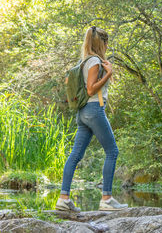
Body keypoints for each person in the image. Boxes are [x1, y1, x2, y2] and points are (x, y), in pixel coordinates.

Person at [56, 26, 128, 212]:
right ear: (102, 43)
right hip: (94, 109)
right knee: (112, 151)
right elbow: (90, 89)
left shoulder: (84, 60)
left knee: (75, 155)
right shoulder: (95, 61)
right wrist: (109, 74)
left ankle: (63, 199)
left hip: (83, 113)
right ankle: (107, 199)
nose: (107, 47)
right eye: (106, 43)